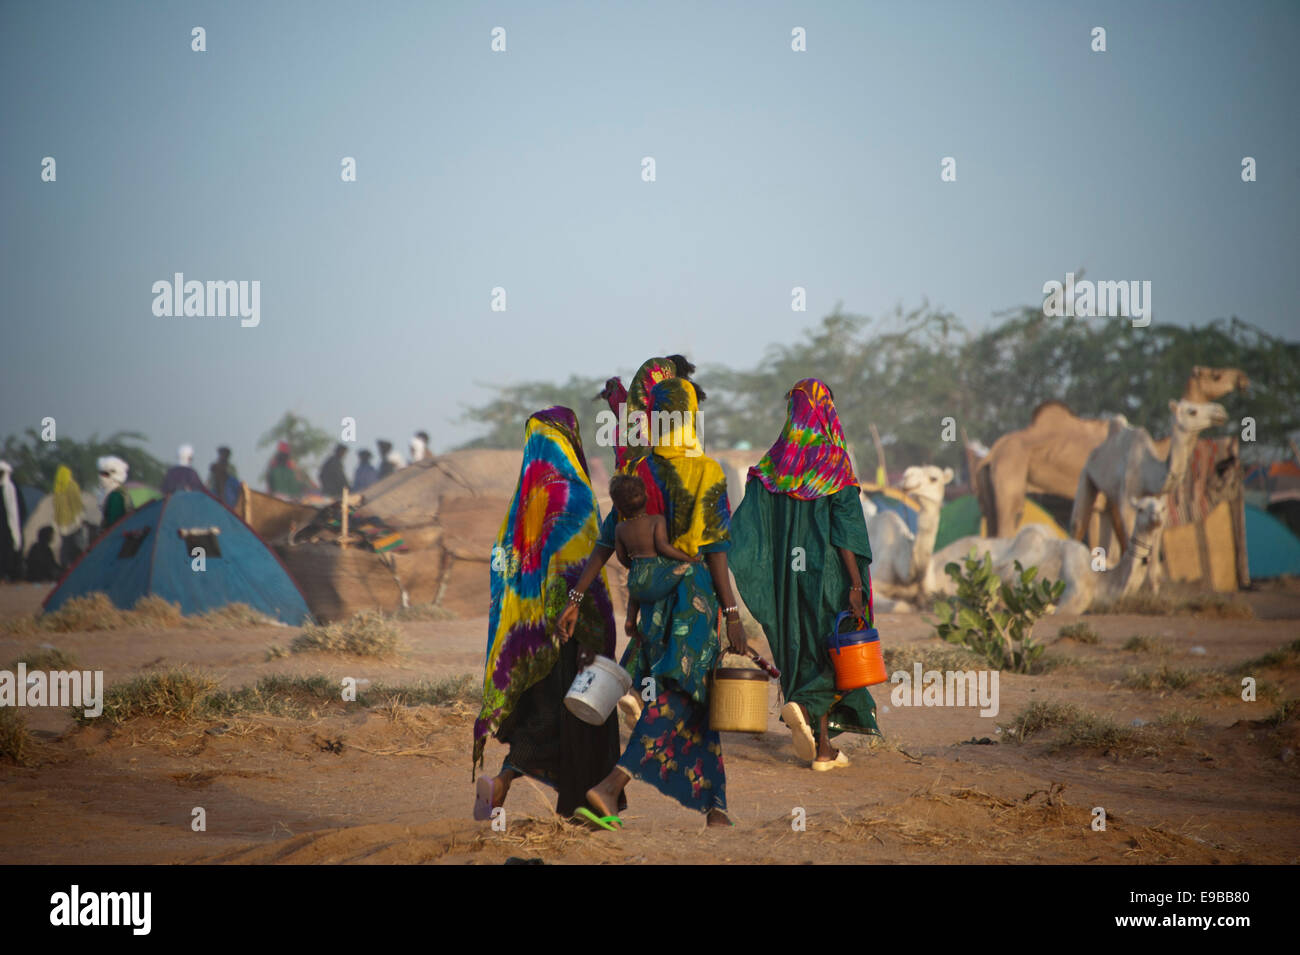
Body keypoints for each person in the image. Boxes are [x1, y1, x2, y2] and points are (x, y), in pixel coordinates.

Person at [559, 376, 748, 828]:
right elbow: (716, 549)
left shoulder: (639, 473)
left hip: (650, 607)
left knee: (698, 702)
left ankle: (716, 807)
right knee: (679, 698)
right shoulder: (707, 472)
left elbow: (606, 543)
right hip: (694, 604)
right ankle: (610, 787)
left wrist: (573, 598)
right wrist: (732, 612)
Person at [472, 407, 623, 823]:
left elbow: (508, 570)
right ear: (570, 440)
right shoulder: (575, 492)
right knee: (582, 719)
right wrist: (592, 631)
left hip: (531, 636)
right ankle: (586, 808)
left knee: (544, 717)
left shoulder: (524, 503)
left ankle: (502, 780)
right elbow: (582, 569)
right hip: (573, 628)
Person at [729, 379, 879, 770]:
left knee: (803, 648)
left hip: (789, 578)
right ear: (827, 410)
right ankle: (805, 704)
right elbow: (846, 530)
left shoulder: (774, 465)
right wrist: (856, 584)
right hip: (830, 576)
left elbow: (749, 521)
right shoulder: (835, 463)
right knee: (838, 651)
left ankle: (823, 748)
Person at [608, 472, 700, 641]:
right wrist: (688, 559)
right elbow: (663, 547)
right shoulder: (657, 520)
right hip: (656, 577)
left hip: (637, 575)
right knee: (692, 571)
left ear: (618, 508)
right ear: (646, 495)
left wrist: (634, 566)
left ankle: (630, 620)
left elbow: (621, 557)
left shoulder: (620, 528)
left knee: (636, 589)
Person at [51, 464, 91, 566]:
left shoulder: (57, 489)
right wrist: (81, 518)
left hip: (62, 524)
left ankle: (65, 565)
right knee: (77, 545)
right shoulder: (72, 485)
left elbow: (56, 509)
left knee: (65, 546)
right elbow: (77, 504)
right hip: (74, 522)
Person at [0, 460, 25, 581]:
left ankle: (14, 574)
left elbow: (19, 508)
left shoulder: (12, 488)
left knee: (13, 548)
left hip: (12, 525)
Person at [97, 456, 133, 530]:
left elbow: (113, 523)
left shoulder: (116, 496)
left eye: (106, 474)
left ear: (115, 476)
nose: (102, 477)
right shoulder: (117, 492)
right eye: (101, 473)